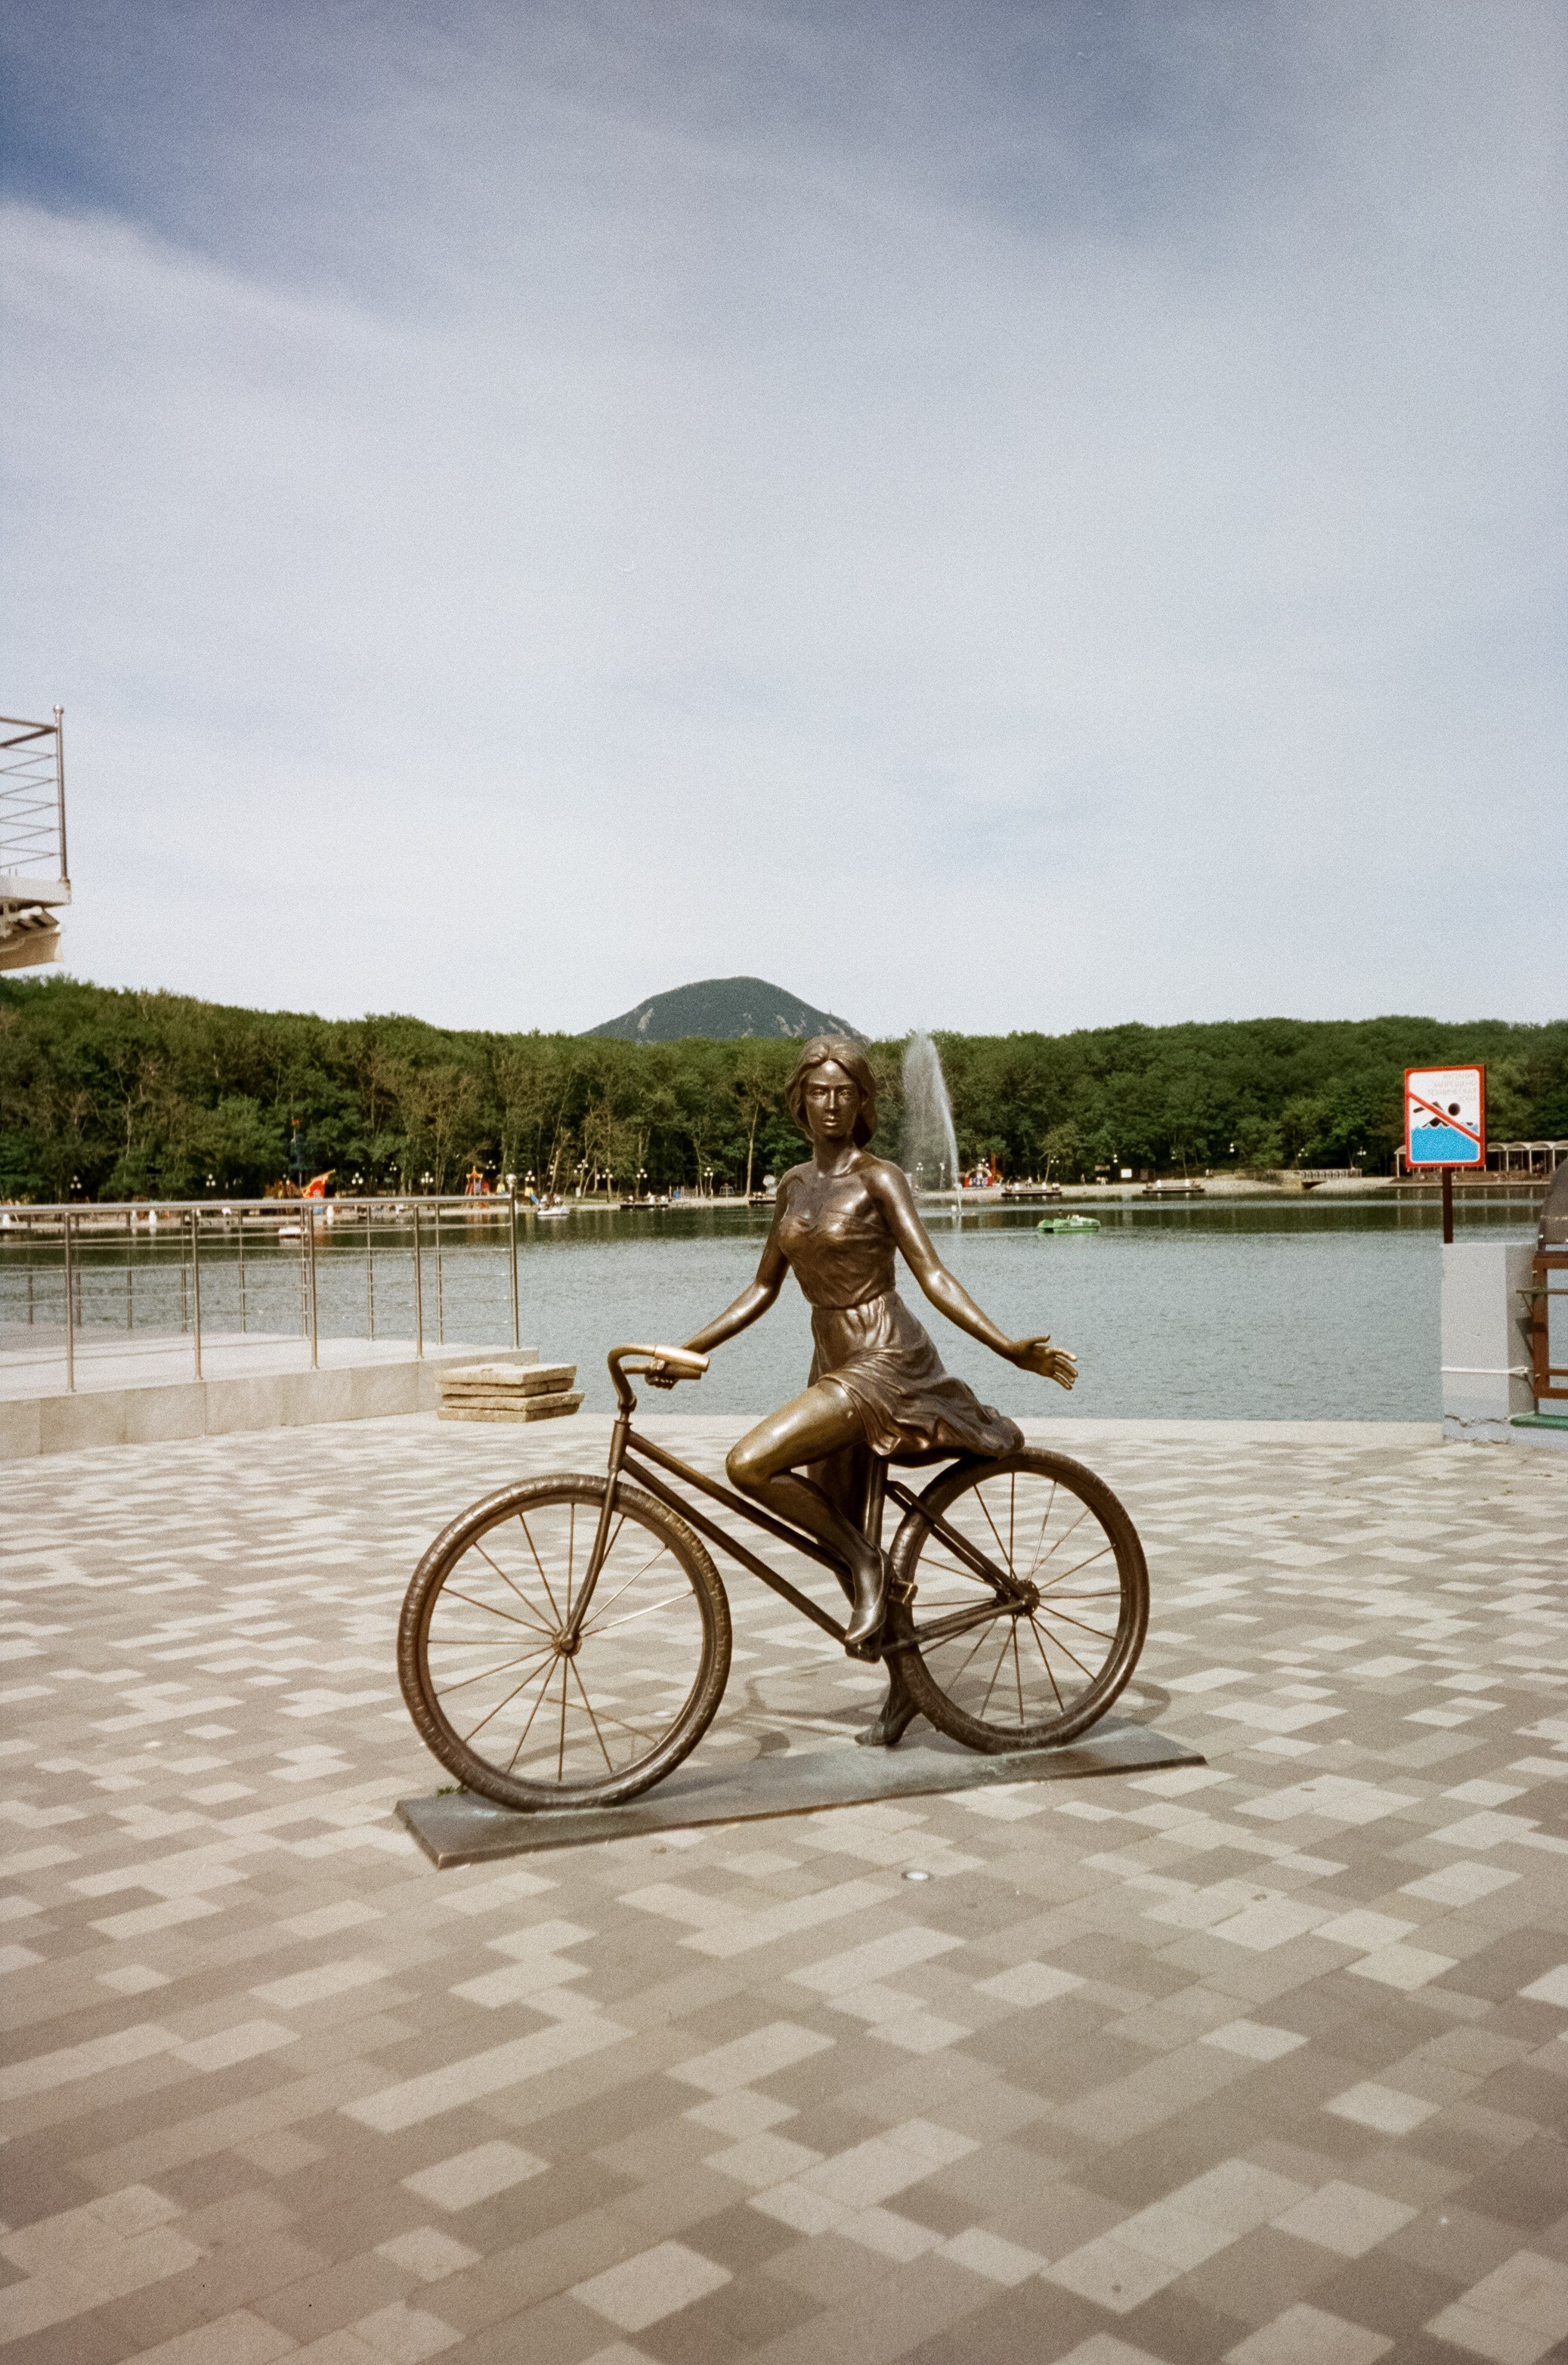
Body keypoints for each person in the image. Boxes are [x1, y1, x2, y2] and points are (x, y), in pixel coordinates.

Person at [650, 1036, 1077, 1681]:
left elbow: (932, 1275)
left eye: (844, 1093)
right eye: (818, 1091)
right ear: (799, 1099)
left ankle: (872, 1562)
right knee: (836, 1535)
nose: (830, 1104)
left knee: (750, 1464)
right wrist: (687, 1349)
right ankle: (906, 1686)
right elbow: (762, 1289)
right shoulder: (793, 1185)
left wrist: (1005, 1345)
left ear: (861, 1101)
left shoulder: (880, 1179)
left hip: (883, 1359)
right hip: (830, 1363)